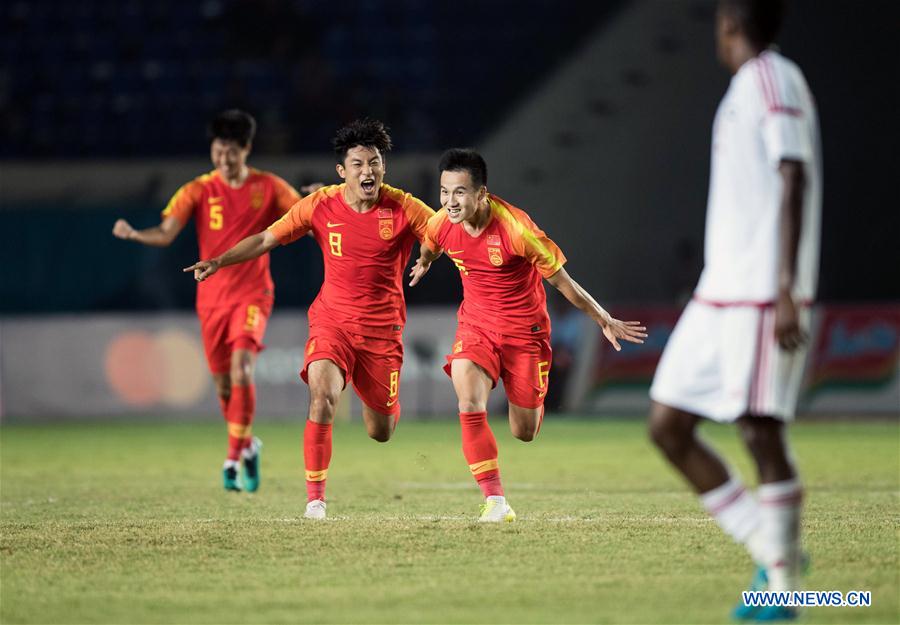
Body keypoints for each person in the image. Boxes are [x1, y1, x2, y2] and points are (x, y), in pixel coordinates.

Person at [647, 0, 821, 620]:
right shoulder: (746, 86)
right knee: (667, 424)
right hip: (717, 291)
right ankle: (773, 550)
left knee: (758, 430)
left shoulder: (773, 77)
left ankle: (781, 585)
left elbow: (793, 173)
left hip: (757, 292)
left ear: (729, 24)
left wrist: (784, 288)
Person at [184, 119, 439, 520]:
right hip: (331, 322)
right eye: (357, 164)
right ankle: (315, 501)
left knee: (381, 430)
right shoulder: (320, 206)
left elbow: (440, 232)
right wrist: (220, 260)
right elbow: (267, 238)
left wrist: (426, 256)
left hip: (382, 331)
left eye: (374, 163)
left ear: (383, 167)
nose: (367, 172)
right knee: (322, 398)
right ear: (342, 171)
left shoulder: (403, 206)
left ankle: (381, 405)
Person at [409, 148, 645, 522]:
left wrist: (602, 318)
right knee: (469, 401)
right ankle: (495, 501)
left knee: (524, 431)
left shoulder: (517, 230)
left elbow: (564, 284)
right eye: (444, 192)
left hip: (525, 334)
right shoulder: (441, 223)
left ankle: (530, 404)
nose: (449, 202)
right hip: (476, 327)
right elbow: (431, 245)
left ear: (481, 193)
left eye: (459, 193)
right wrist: (423, 261)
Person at [113, 109, 310, 493]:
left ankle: (232, 459)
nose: (223, 158)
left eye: (231, 151)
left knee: (242, 371)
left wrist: (317, 197)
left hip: (254, 293)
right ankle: (248, 444)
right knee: (223, 386)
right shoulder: (198, 189)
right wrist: (136, 235)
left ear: (246, 149)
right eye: (217, 151)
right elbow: (167, 232)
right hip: (211, 299)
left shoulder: (268, 186)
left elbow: (302, 211)